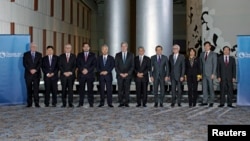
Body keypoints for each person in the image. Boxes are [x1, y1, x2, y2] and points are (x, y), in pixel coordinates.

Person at [76, 43, 96, 107]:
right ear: (83, 48)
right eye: (85, 46)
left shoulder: (93, 55)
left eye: (87, 46)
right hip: (81, 75)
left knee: (90, 90)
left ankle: (91, 103)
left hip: (89, 75)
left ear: (89, 47)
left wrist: (87, 70)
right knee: (81, 90)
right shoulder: (79, 55)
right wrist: (82, 70)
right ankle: (80, 103)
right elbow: (77, 64)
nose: (86, 48)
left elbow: (94, 64)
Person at [115, 42, 134, 107]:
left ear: (127, 47)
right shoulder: (117, 55)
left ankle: (126, 102)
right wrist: (120, 73)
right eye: (122, 46)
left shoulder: (131, 55)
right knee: (120, 90)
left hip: (128, 76)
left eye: (125, 46)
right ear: (121, 47)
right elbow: (116, 66)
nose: (123, 47)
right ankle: (120, 102)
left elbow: (132, 66)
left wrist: (127, 73)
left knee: (127, 90)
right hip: (119, 76)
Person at [23, 42, 42, 107]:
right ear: (30, 47)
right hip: (28, 74)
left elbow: (40, 63)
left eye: (34, 47)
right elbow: (25, 64)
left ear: (36, 48)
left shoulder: (39, 54)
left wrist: (35, 70)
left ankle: (37, 103)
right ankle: (29, 103)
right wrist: (30, 70)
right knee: (29, 89)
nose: (33, 48)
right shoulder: (26, 54)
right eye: (32, 46)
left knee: (36, 89)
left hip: (36, 75)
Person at [199, 41, 217, 107]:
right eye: (205, 46)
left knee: (211, 88)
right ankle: (205, 101)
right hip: (203, 74)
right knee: (204, 88)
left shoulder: (213, 54)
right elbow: (201, 64)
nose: (206, 47)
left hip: (210, 74)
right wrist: (201, 73)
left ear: (210, 46)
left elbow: (215, 64)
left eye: (207, 46)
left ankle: (211, 101)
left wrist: (213, 73)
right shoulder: (202, 54)